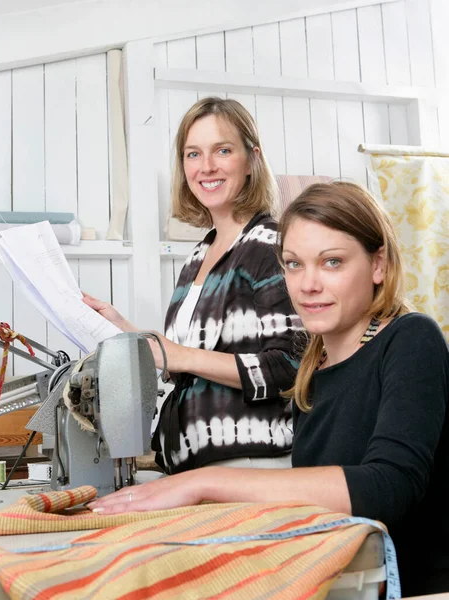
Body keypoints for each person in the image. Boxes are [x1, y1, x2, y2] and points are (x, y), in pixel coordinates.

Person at [88, 181, 449, 597]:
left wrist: (204, 482)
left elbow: (386, 489)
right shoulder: (313, 371)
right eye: (294, 264)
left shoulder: (411, 340)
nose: (307, 284)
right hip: (352, 580)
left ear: (379, 265)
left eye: (332, 262)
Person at [84, 97, 302, 475]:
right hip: (194, 466)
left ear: (251, 160)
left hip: (251, 466)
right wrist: (131, 334)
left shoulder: (271, 245)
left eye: (222, 150)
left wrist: (174, 354)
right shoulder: (197, 258)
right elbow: (190, 365)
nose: (206, 167)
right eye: (193, 154)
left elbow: (290, 367)